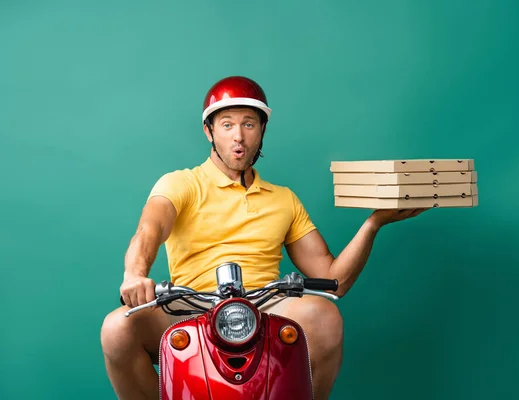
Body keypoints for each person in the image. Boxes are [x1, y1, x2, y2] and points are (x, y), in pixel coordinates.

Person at [100, 76, 427, 400]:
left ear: (262, 131)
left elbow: (333, 280)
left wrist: (373, 224)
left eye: (249, 124)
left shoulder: (283, 199)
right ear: (209, 131)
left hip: (265, 308)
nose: (238, 136)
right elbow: (149, 230)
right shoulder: (180, 184)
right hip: (191, 307)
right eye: (226, 125)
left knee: (326, 317)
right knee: (117, 329)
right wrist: (135, 274)